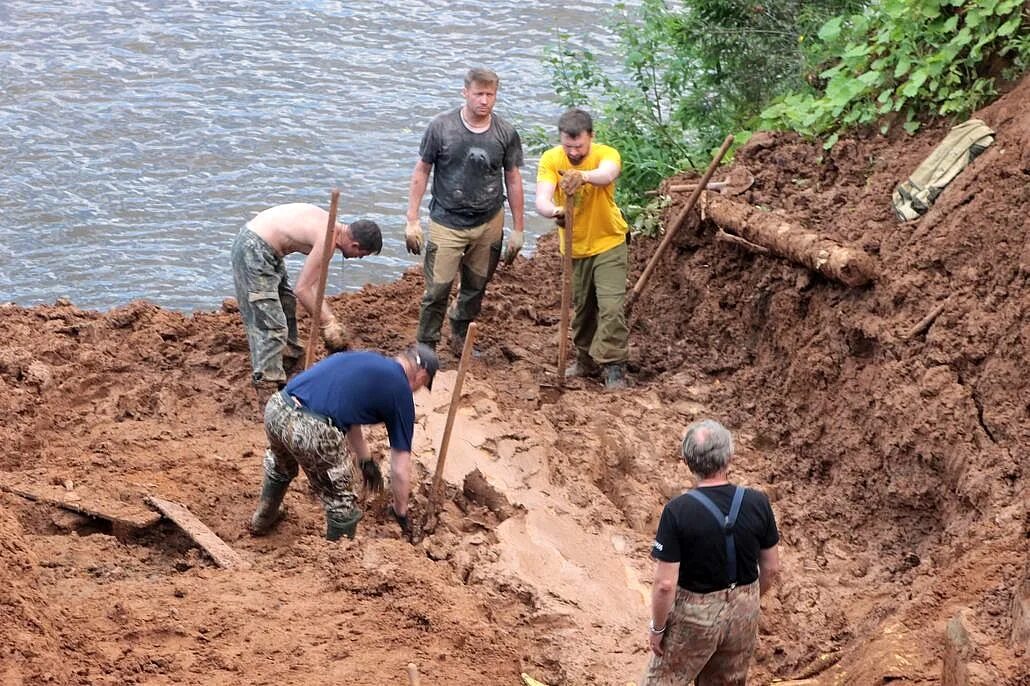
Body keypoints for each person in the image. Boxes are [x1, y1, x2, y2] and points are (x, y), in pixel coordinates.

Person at [249, 343, 439, 541]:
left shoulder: (364, 359)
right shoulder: (400, 391)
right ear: (422, 376)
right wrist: (401, 512)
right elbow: (400, 466)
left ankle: (263, 517)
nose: (417, 390)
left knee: (281, 465)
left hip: (277, 408)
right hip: (310, 428)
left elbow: (348, 418)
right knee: (342, 500)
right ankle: (339, 563)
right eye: (422, 385)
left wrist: (365, 461)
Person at [643, 419, 781, 685]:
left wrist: (658, 628)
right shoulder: (758, 502)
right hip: (744, 612)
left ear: (687, 461)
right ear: (730, 456)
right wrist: (748, 599)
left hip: (695, 616)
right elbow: (772, 567)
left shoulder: (677, 511)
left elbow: (664, 584)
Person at [404, 67, 526, 356]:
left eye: (490, 95)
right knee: (436, 290)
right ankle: (427, 346)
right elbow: (422, 171)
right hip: (447, 219)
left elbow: (513, 178)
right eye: (478, 94)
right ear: (465, 93)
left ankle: (459, 333)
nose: (484, 101)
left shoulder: (505, 133)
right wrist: (412, 220)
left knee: (476, 285)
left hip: (488, 219)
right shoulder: (441, 127)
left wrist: (518, 229)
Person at [231, 202, 382, 389]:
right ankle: (267, 383)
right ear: (355, 244)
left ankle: (289, 360)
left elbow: (314, 287)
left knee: (286, 303)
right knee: (272, 323)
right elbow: (302, 289)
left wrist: (331, 319)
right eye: (361, 254)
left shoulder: (332, 227)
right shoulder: (328, 239)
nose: (358, 258)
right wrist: (328, 323)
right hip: (253, 249)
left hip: (267, 250)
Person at [535, 108, 629, 389]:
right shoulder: (551, 159)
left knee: (611, 306)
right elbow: (542, 197)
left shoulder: (605, 154)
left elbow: (608, 174)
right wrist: (555, 211)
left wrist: (583, 177)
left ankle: (614, 366)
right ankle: (586, 360)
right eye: (568, 146)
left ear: (591, 137)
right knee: (583, 308)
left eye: (579, 146)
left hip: (609, 241)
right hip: (574, 248)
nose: (573, 152)